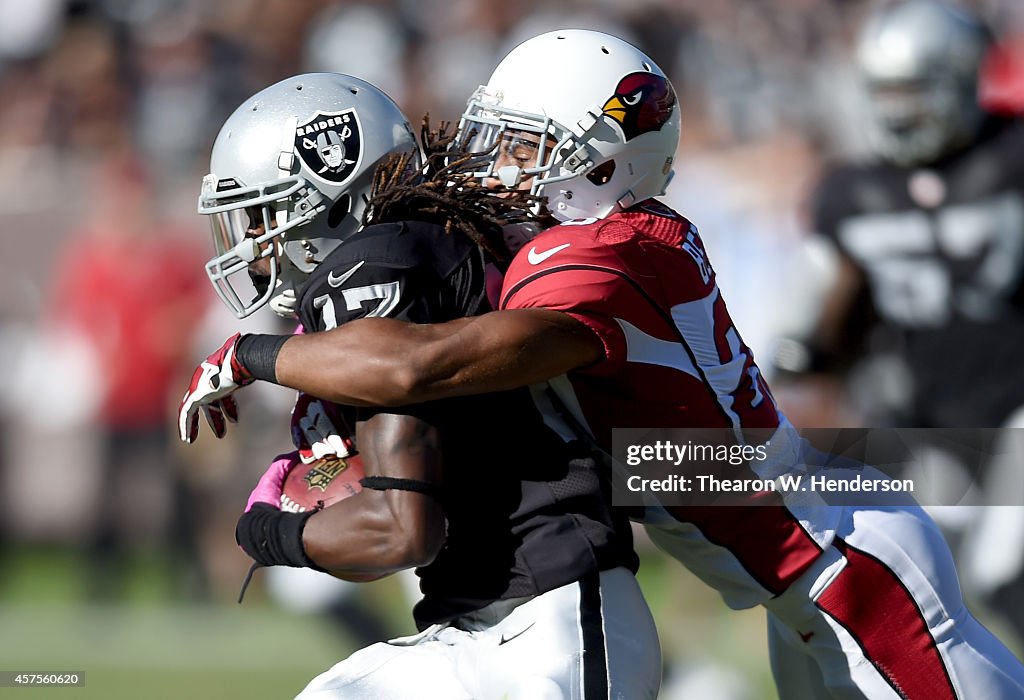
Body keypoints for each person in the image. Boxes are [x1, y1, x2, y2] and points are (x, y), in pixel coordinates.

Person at [179, 29, 1024, 698]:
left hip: (835, 568)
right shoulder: (584, 244)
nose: (490, 164)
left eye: (517, 145)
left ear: (600, 160)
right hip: (792, 565)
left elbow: (419, 367)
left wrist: (257, 355)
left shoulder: (600, 258)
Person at [182, 71, 660, 699]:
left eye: (263, 213)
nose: (254, 243)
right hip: (509, 623)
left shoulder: (377, 263)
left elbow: (398, 530)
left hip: (545, 627)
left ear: (329, 194)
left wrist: (263, 532)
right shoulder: (423, 246)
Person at [770, 0, 1024, 643]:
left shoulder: (1014, 156)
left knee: (1003, 570)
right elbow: (821, 315)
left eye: (914, 89)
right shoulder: (854, 190)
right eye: (886, 91)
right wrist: (808, 347)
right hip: (929, 416)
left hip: (1019, 399)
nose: (898, 108)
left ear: (961, 78)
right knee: (935, 583)